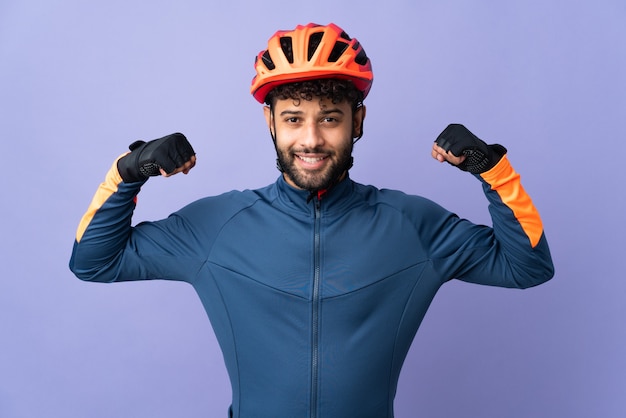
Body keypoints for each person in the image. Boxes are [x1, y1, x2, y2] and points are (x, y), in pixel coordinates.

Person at [69, 23, 554, 418]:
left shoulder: (413, 224)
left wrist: (492, 169)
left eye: (330, 118)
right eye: (294, 118)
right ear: (271, 123)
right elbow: (94, 261)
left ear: (357, 123)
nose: (311, 139)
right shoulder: (217, 225)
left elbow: (527, 266)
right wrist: (127, 172)